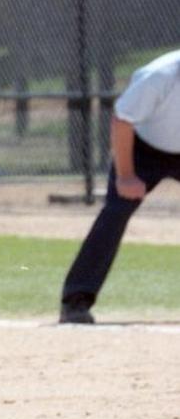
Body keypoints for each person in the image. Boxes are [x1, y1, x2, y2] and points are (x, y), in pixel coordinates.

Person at [60, 49, 180, 324]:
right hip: (143, 149)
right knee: (116, 210)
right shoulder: (159, 76)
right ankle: (75, 301)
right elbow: (122, 119)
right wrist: (126, 176)